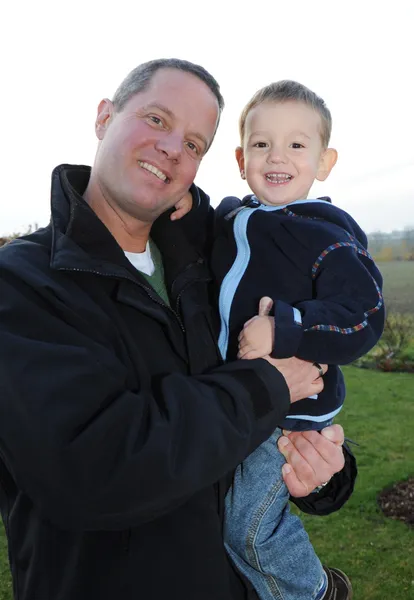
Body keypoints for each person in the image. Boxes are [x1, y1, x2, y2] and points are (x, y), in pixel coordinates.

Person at [0, 61, 356, 600]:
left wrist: (323, 471)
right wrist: (265, 385)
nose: (172, 148)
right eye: (156, 119)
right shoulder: (23, 284)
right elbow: (92, 470)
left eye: (194, 143)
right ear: (104, 117)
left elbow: (269, 424)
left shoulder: (215, 268)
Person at [177, 79, 383, 600]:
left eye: (297, 144)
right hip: (234, 402)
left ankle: (315, 592)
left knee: (246, 526)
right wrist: (188, 204)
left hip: (285, 417)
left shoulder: (325, 239)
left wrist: (286, 328)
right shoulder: (231, 221)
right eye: (263, 144)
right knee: (233, 520)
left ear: (325, 161)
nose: (278, 156)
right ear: (242, 158)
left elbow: (362, 316)